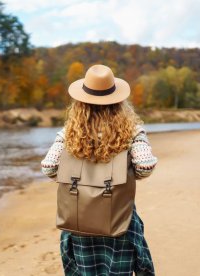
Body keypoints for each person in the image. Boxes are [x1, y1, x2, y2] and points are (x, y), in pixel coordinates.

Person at [41, 64, 158, 275]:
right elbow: (145, 166)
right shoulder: (132, 131)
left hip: (78, 220)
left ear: (80, 103)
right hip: (118, 219)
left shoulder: (68, 133)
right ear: (118, 102)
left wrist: (77, 177)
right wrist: (127, 174)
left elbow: (48, 167)